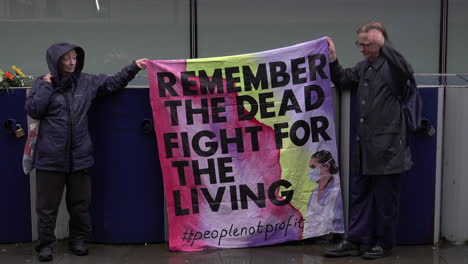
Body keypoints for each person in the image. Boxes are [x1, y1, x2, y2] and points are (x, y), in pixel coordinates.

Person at [24, 43, 147, 262]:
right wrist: (46, 86)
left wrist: (134, 67)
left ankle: (78, 240)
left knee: (80, 205)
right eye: (66, 59)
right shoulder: (42, 84)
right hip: (50, 158)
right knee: (46, 208)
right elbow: (34, 109)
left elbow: (112, 84)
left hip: (80, 156)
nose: (71, 62)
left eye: (74, 58)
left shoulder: (87, 82)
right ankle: (45, 245)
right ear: (55, 61)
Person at [322, 21, 415, 259]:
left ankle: (384, 244)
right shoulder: (365, 67)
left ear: (381, 43)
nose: (362, 49)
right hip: (364, 147)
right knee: (359, 196)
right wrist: (332, 59)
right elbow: (343, 79)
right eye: (359, 44)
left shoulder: (394, 68)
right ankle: (356, 239)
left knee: (386, 201)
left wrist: (386, 45)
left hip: (388, 150)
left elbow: (406, 69)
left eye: (367, 44)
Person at [303, 150, 344, 238]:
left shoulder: (338, 190)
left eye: (313, 167)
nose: (310, 171)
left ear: (326, 166)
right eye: (310, 167)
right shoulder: (314, 193)